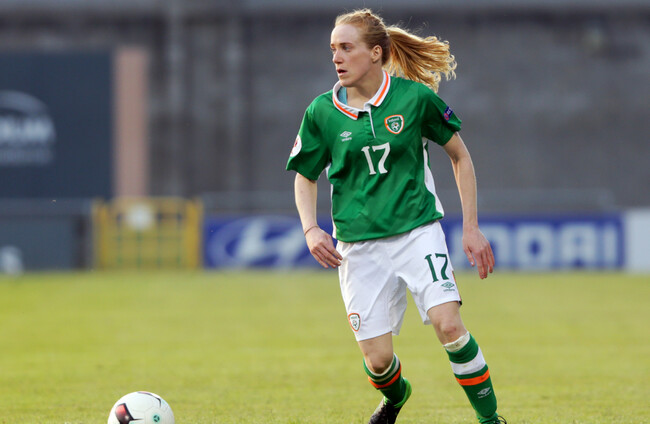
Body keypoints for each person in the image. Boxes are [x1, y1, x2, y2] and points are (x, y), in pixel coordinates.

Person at [286, 9, 506, 424]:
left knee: (448, 326)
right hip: (357, 247)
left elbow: (460, 156)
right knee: (378, 361)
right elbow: (304, 175)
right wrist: (311, 228)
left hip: (417, 233)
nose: (336, 57)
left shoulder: (414, 99)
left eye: (346, 47)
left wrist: (471, 227)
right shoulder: (321, 112)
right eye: (333, 49)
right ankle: (397, 396)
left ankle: (491, 420)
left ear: (375, 53)